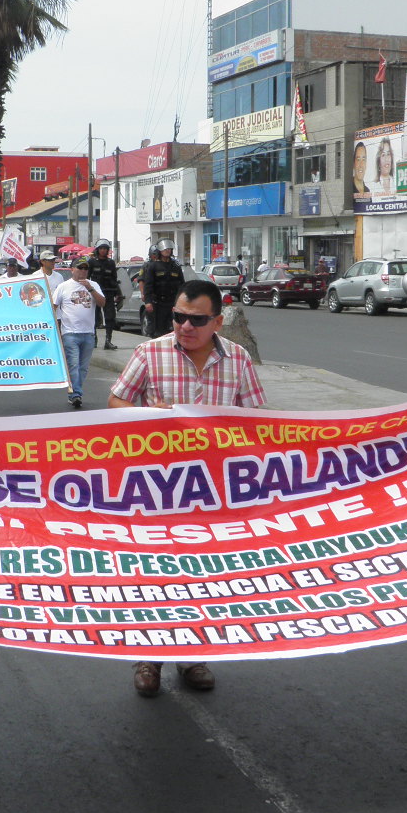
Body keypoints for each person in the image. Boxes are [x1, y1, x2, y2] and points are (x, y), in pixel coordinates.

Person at [109, 279, 266, 696]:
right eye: (179, 317)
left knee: (200, 572)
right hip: (157, 489)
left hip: (215, 491)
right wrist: (147, 415)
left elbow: (257, 421)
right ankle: (148, 658)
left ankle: (192, 654)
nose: (184, 326)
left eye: (196, 319)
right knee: (156, 573)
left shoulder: (238, 359)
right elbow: (116, 404)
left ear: (217, 321)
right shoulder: (150, 353)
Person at [52, 258, 104, 408]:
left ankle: (75, 391)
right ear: (72, 269)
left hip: (88, 333)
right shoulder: (63, 287)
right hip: (70, 332)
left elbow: (102, 303)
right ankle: (76, 394)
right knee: (73, 364)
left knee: (83, 367)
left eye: (85, 268)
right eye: (80, 268)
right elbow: (53, 306)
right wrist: (54, 325)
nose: (83, 271)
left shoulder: (93, 285)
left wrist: (90, 289)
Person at [140, 239, 185, 338]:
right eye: (165, 249)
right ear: (159, 250)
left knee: (173, 329)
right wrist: (148, 301)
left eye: (169, 248)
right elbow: (148, 285)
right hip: (158, 303)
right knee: (157, 330)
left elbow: (182, 284)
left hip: (172, 302)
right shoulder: (153, 266)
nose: (167, 250)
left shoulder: (176, 266)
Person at [88, 240, 121, 350]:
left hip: (108, 292)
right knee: (94, 317)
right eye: (101, 248)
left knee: (110, 317)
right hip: (95, 293)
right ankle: (94, 339)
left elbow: (114, 279)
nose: (103, 250)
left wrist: (118, 293)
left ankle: (108, 341)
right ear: (97, 250)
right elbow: (87, 278)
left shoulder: (111, 263)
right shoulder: (92, 262)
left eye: (105, 249)